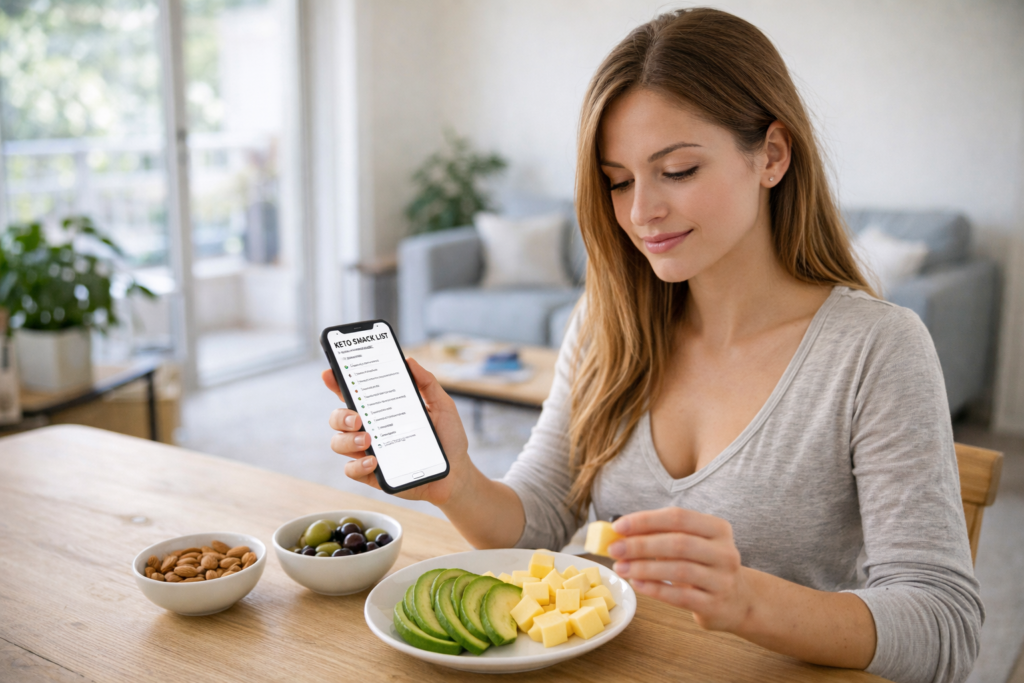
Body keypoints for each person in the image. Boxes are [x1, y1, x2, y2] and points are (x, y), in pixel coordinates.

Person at [323, 8, 981, 683]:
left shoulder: (877, 349)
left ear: (773, 156)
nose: (641, 212)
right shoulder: (609, 323)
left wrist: (746, 597)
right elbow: (542, 522)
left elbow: (945, 627)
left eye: (678, 170)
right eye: (619, 180)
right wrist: (456, 480)